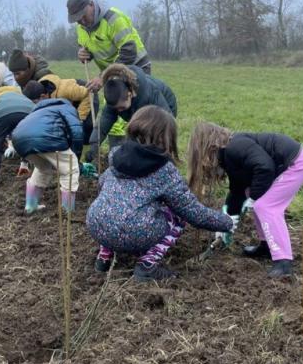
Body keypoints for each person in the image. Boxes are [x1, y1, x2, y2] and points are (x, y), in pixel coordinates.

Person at [87, 106, 235, 281]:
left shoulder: (117, 154)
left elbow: (102, 184)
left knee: (111, 207)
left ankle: (103, 259)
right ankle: (147, 266)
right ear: (167, 137)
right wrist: (227, 222)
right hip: (133, 233)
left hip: (95, 224)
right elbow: (193, 212)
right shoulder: (164, 170)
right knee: (178, 216)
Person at [187, 123, 303, 278]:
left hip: (297, 163)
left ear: (208, 149)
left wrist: (254, 198)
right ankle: (267, 246)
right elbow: (237, 191)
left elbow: (265, 167)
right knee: (253, 197)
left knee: (265, 206)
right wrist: (225, 221)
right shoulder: (228, 157)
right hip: (286, 164)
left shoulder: (235, 147)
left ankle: (283, 261)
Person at [87, 63, 176, 163]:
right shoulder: (116, 97)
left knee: (153, 138)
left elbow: (168, 124)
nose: (119, 111)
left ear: (130, 94)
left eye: (121, 107)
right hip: (139, 110)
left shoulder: (148, 95)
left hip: (164, 107)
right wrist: (94, 145)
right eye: (116, 109)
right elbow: (104, 123)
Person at [11, 98, 83, 214]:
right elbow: (76, 131)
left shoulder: (38, 111)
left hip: (18, 141)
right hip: (48, 139)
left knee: (43, 168)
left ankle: (30, 206)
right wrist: (77, 157)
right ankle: (67, 211)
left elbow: (27, 131)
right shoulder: (67, 108)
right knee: (70, 170)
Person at [66, 0, 151, 90]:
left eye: (84, 15)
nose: (83, 22)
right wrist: (83, 54)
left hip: (136, 66)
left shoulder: (114, 19)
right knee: (114, 103)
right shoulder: (81, 27)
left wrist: (103, 76)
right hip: (111, 72)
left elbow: (128, 51)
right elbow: (86, 47)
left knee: (135, 102)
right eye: (77, 20)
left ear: (91, 5)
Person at [22, 75, 93, 145]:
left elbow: (87, 94)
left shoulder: (65, 91)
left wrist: (80, 117)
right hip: (71, 101)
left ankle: (88, 147)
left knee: (85, 127)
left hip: (87, 93)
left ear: (43, 96)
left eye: (35, 103)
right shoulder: (38, 91)